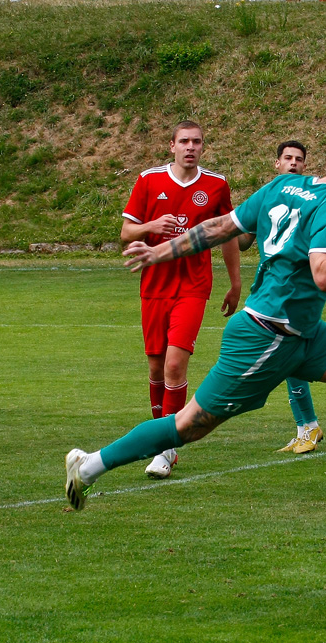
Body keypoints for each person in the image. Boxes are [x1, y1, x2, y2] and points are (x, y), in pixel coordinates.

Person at [66, 122, 326, 527]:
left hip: (303, 332)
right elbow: (325, 275)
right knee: (189, 426)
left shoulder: (282, 186)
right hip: (265, 337)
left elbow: (220, 227)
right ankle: (88, 466)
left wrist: (160, 252)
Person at [120, 120, 242, 480]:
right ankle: (161, 436)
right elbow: (127, 231)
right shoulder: (148, 180)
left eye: (197, 142)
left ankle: (166, 447)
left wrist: (235, 282)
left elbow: (228, 235)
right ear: (171, 145)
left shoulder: (216, 185)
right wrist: (150, 227)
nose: (191, 147)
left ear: (203, 147)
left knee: (175, 366)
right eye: (184, 141)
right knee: (157, 368)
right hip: (154, 286)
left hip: (193, 286)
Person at [237, 141, 325, 455]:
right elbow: (243, 242)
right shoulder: (268, 195)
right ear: (277, 164)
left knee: (289, 360)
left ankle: (309, 426)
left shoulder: (314, 201)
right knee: (290, 363)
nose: (293, 163)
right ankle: (307, 427)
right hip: (273, 293)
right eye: (287, 158)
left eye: (299, 160)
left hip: (297, 294)